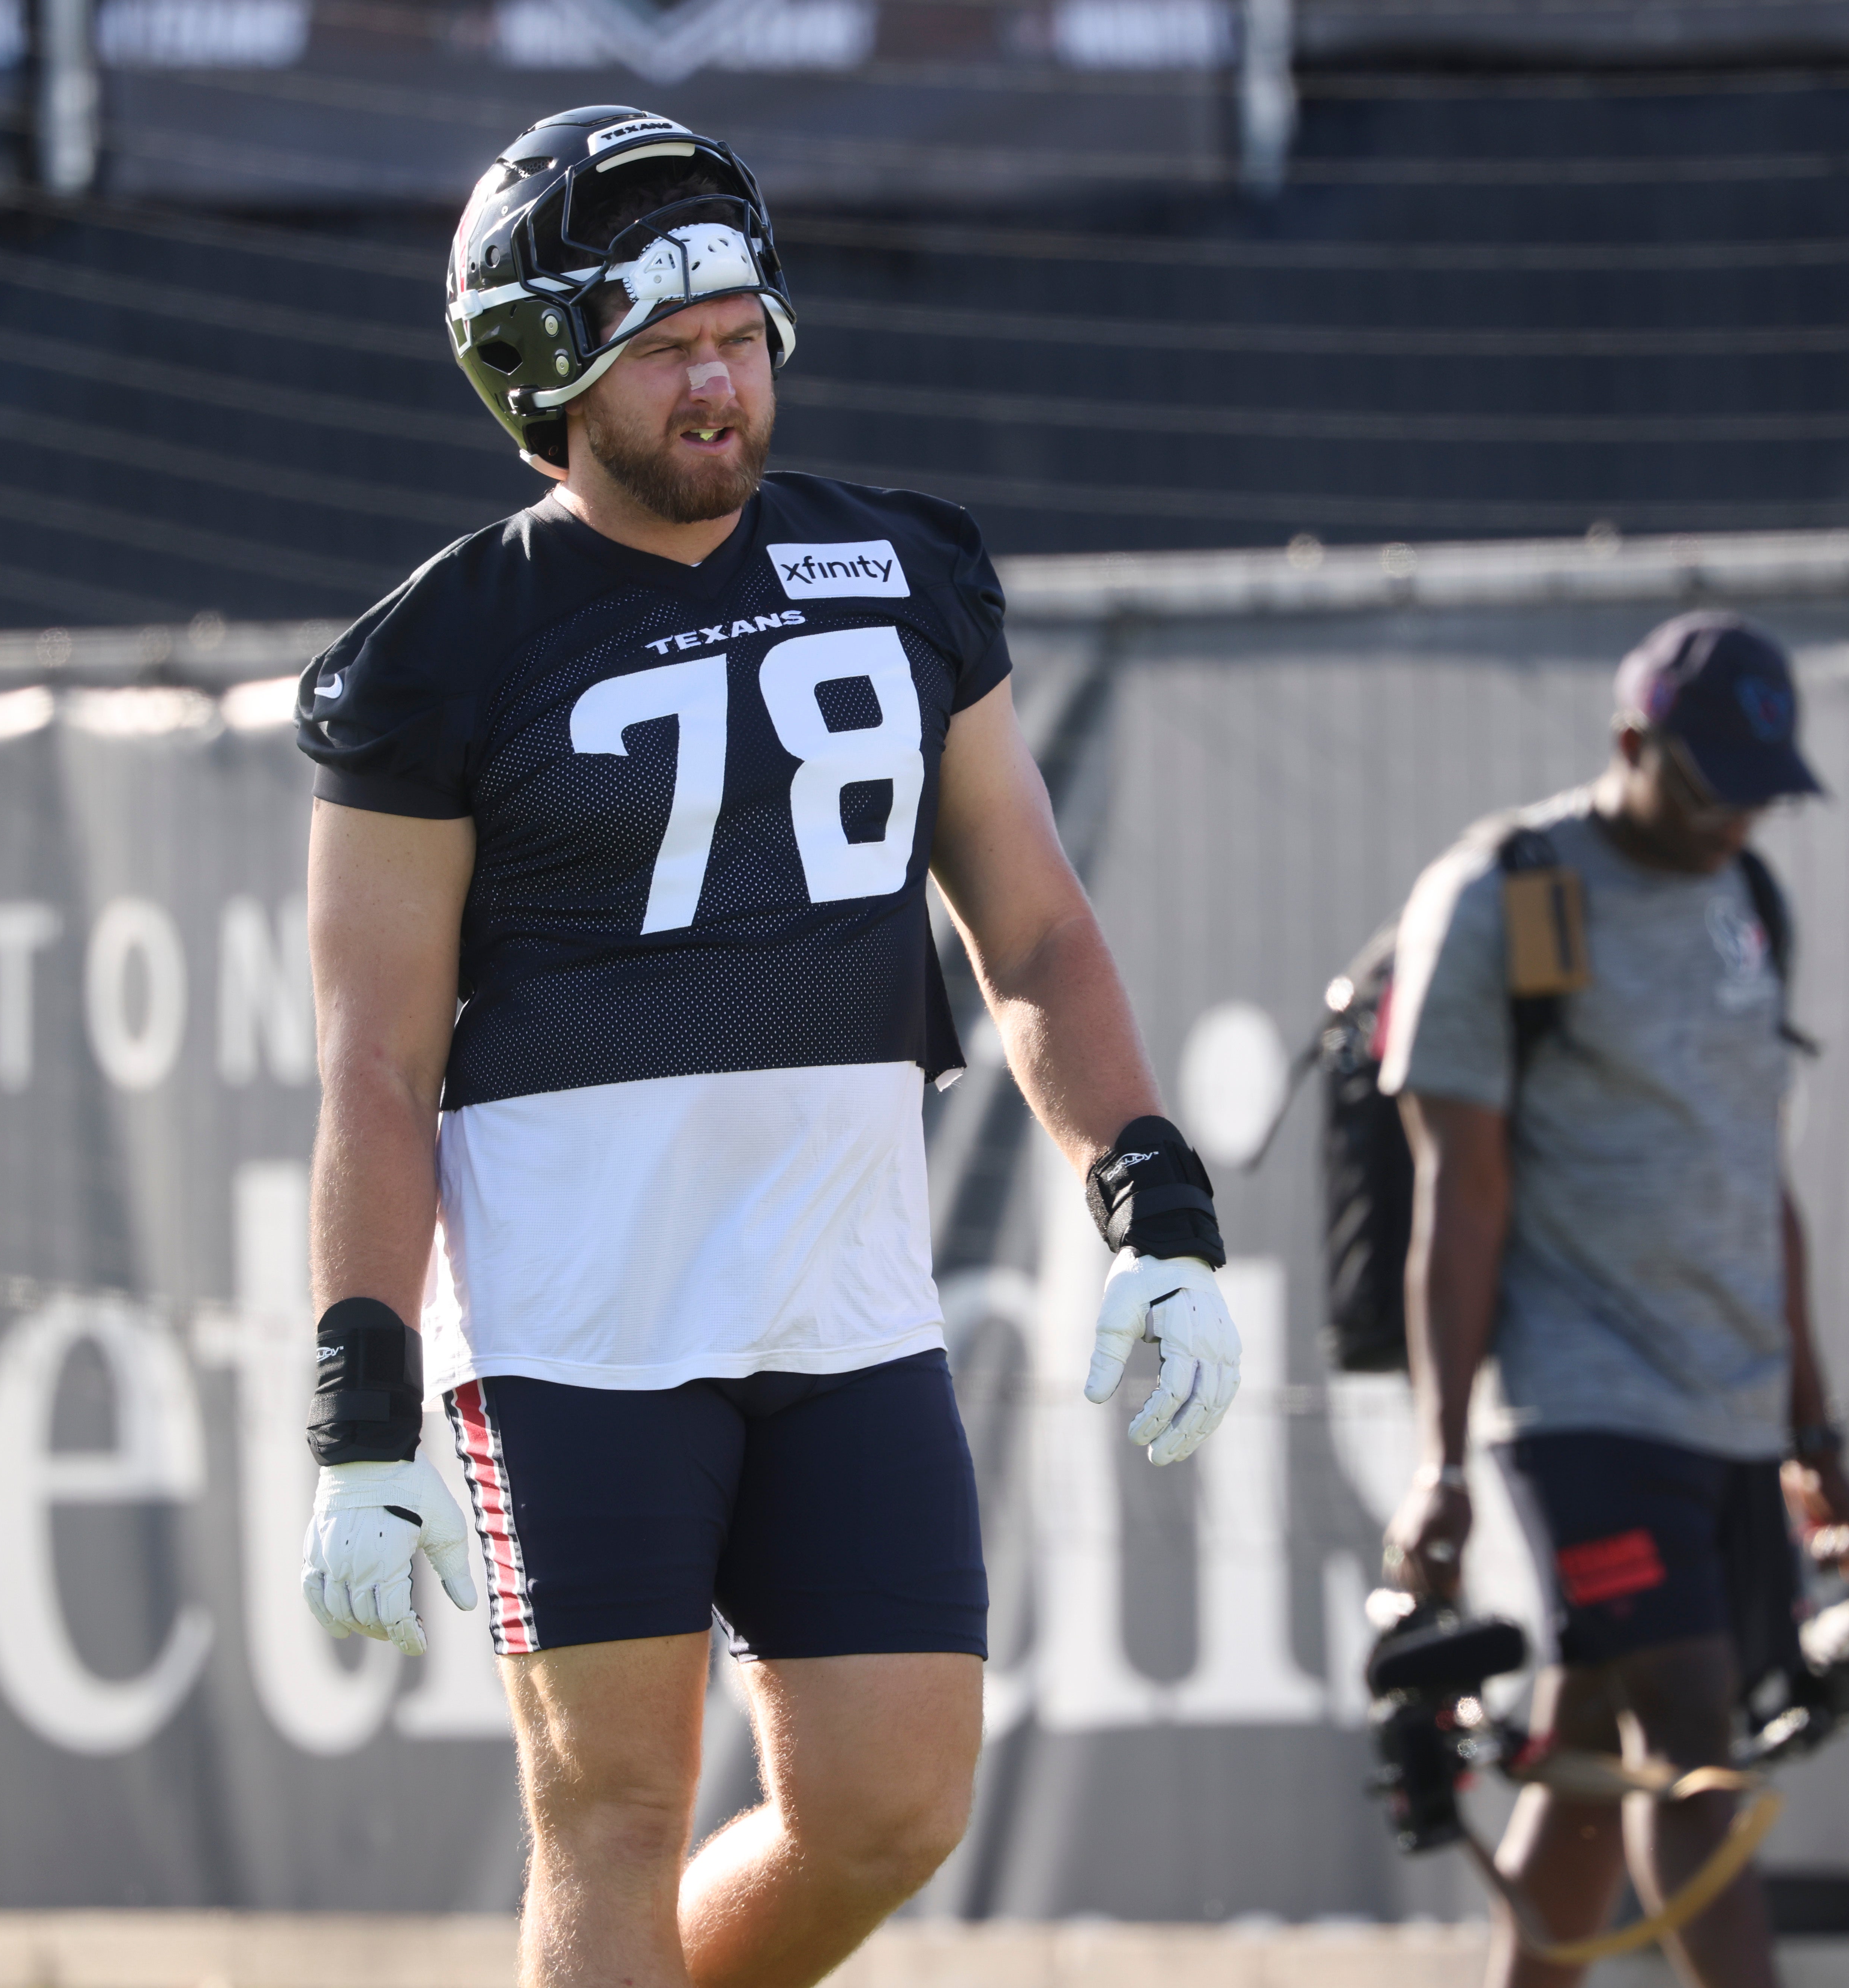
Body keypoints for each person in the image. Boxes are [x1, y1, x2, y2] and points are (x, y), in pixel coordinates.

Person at [290, 104, 1241, 1988]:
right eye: (665, 348)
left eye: (738, 334)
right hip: (576, 1324)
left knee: (891, 1801)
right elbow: (373, 1066)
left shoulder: (901, 570)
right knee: (613, 1812)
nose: (719, 383)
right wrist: (356, 1406)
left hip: (841, 1300)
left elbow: (1034, 928)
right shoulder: (438, 652)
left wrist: (1154, 1202)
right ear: (540, 369)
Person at [1376, 613, 1849, 1988]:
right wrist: (1438, 1467)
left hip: (1730, 1406)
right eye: (1712, 789)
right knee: (1687, 1742)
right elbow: (1458, 1196)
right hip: (1582, 1403)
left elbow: (1760, 1182)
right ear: (1629, 745)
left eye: (1762, 796)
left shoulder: (1747, 899)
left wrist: (1812, 1433)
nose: (1738, 823)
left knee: (1591, 1750)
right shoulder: (1504, 897)